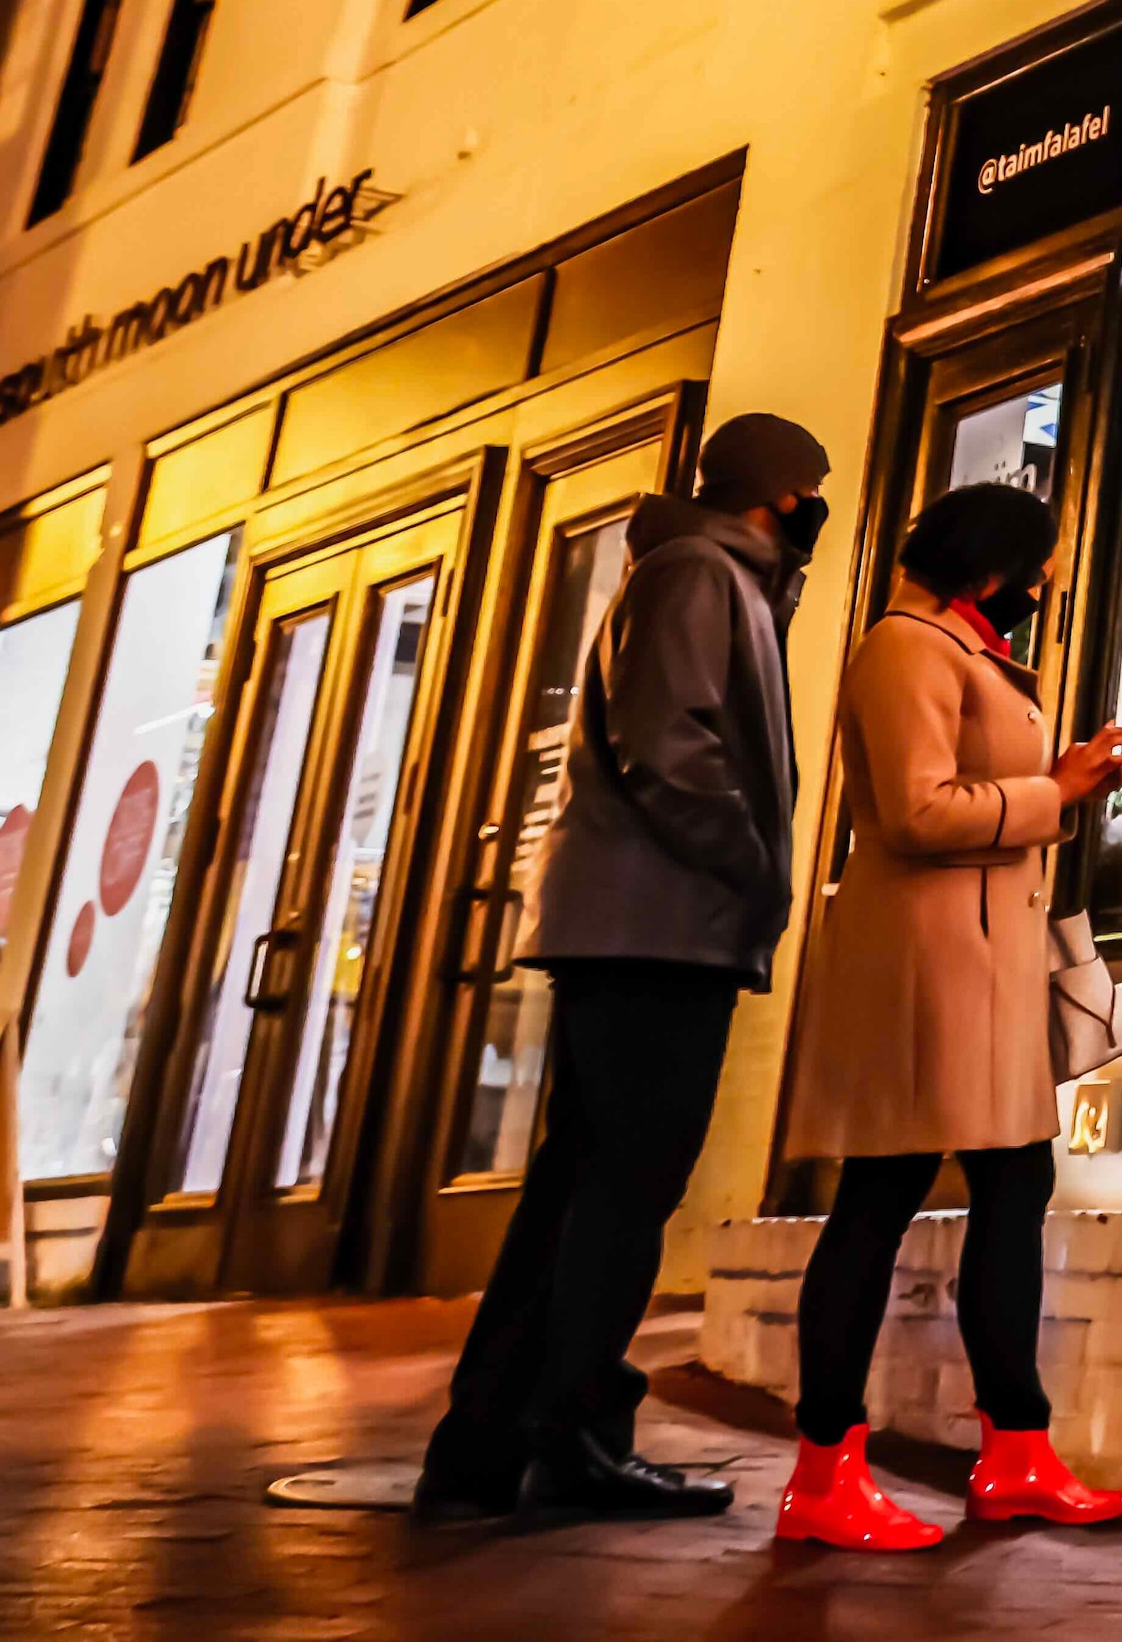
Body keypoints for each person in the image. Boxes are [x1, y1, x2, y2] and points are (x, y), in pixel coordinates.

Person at [421, 411, 835, 1521]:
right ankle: (574, 1435)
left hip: (646, 924)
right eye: (813, 490)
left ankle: (490, 1438)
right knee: (620, 1192)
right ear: (783, 492)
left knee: (581, 1188)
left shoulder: (706, 574)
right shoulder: (701, 573)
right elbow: (671, 743)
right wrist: (751, 866)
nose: (818, 511)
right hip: (658, 925)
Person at [771, 481, 1122, 1551]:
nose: (1041, 586)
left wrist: (1069, 785)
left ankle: (1016, 1450)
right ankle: (825, 1468)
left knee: (1014, 1183)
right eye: (1033, 567)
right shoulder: (906, 648)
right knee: (878, 1195)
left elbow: (987, 806)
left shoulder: (960, 648)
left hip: (981, 962)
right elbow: (918, 807)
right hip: (926, 964)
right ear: (990, 568)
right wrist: (1057, 788)